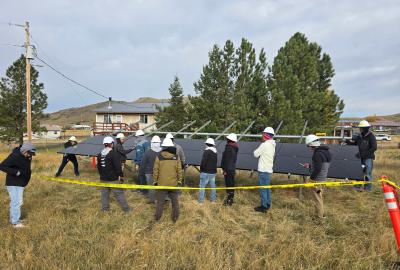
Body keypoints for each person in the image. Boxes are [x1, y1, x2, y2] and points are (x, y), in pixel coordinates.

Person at [0, 142, 36, 228]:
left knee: (18, 202)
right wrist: (16, 172)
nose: (30, 155)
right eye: (29, 153)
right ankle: (15, 223)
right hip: (13, 182)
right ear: (24, 151)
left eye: (31, 153)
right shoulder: (14, 156)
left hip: (21, 182)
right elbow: (2, 166)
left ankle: (15, 218)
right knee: (16, 202)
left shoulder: (28, 156)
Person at [153, 138, 183, 223]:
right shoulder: (176, 157)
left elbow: (155, 170)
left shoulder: (159, 156)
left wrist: (155, 181)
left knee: (160, 202)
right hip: (173, 184)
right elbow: (179, 170)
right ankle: (175, 218)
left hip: (161, 184)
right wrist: (179, 180)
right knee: (175, 202)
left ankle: (157, 218)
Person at [97, 136, 130, 213]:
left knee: (104, 195)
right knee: (119, 194)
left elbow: (99, 167)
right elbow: (118, 166)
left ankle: (105, 210)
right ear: (111, 144)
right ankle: (126, 210)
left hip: (103, 179)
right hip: (113, 179)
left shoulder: (99, 154)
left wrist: (102, 175)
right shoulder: (114, 153)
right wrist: (121, 175)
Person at [304, 134, 332, 219]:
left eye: (309, 146)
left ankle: (320, 217)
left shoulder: (317, 154)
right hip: (323, 179)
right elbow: (322, 165)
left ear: (312, 144)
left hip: (317, 180)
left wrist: (311, 179)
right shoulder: (326, 152)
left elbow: (318, 168)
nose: (310, 148)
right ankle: (319, 214)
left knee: (317, 199)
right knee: (319, 198)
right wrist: (310, 165)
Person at [346, 120, 377, 191]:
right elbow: (355, 144)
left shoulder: (371, 136)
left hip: (368, 158)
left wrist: (363, 154)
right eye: (360, 128)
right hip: (360, 158)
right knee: (358, 172)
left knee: (367, 173)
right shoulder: (359, 137)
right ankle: (357, 187)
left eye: (361, 128)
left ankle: (368, 188)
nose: (360, 129)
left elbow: (374, 147)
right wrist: (348, 142)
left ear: (365, 128)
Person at [253, 127, 276, 213]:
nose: (262, 136)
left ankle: (263, 206)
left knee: (263, 188)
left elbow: (255, 154)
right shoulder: (272, 145)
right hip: (268, 170)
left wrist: (260, 146)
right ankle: (268, 203)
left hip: (263, 170)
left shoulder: (265, 144)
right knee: (267, 188)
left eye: (263, 134)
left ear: (266, 135)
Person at [139, 135, 162, 203]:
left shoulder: (148, 152)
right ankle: (159, 200)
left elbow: (143, 163)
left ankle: (152, 200)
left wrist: (141, 173)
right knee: (159, 187)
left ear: (151, 143)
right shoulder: (162, 152)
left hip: (149, 173)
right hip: (159, 173)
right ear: (159, 142)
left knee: (151, 187)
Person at [221, 133, 239, 206]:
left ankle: (229, 201)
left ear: (229, 140)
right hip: (232, 169)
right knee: (231, 184)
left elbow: (226, 160)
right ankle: (230, 199)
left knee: (229, 185)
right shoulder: (235, 147)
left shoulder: (228, 148)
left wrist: (224, 170)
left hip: (228, 169)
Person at [198, 138, 218, 203]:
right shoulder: (215, 152)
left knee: (202, 186)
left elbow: (203, 162)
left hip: (205, 172)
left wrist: (201, 170)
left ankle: (201, 201)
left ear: (207, 144)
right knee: (213, 187)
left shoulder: (206, 151)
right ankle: (213, 200)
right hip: (213, 172)